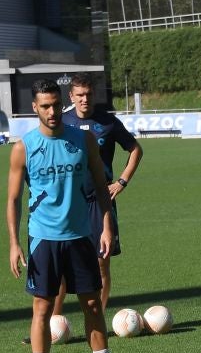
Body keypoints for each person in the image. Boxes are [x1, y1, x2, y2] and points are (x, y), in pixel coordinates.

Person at [7, 79, 138, 353]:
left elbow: (101, 185)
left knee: (92, 304)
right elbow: (12, 199)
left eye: (54, 105)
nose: (52, 112)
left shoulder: (84, 140)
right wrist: (14, 243)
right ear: (35, 108)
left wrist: (106, 226)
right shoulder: (24, 147)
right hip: (43, 238)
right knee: (42, 308)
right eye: (45, 106)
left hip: (81, 234)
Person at [52, 73, 143, 316]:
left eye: (88, 94)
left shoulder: (108, 122)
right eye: (79, 95)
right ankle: (53, 322)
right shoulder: (62, 122)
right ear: (71, 96)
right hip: (68, 203)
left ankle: (97, 318)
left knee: (101, 263)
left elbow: (135, 149)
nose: (84, 99)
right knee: (60, 266)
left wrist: (122, 182)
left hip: (99, 202)